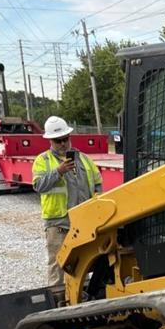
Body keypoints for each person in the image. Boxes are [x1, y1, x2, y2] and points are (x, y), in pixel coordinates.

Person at [32, 116, 102, 286]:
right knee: (58, 263)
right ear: (50, 141)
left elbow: (98, 184)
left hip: (82, 222)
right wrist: (59, 171)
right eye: (58, 141)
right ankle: (57, 297)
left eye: (65, 139)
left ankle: (81, 295)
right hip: (58, 224)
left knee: (82, 263)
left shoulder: (84, 159)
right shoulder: (43, 160)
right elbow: (38, 185)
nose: (63, 143)